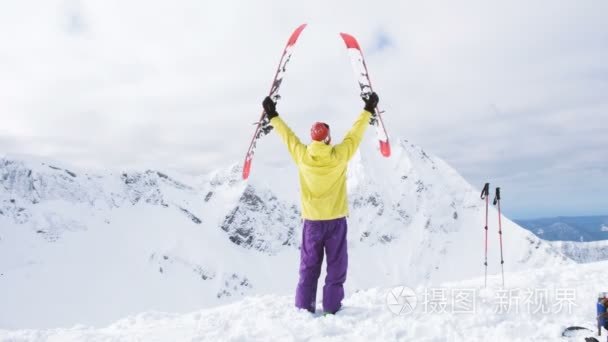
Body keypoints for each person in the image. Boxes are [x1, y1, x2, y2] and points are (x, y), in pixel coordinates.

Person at [261, 92, 380, 314]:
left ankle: (303, 309)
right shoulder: (339, 155)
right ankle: (332, 307)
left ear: (313, 139)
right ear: (327, 139)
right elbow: (354, 135)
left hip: (312, 223)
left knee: (308, 268)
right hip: (335, 221)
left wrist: (272, 114)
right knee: (336, 266)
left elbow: (287, 136)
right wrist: (368, 109)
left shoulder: (302, 156)